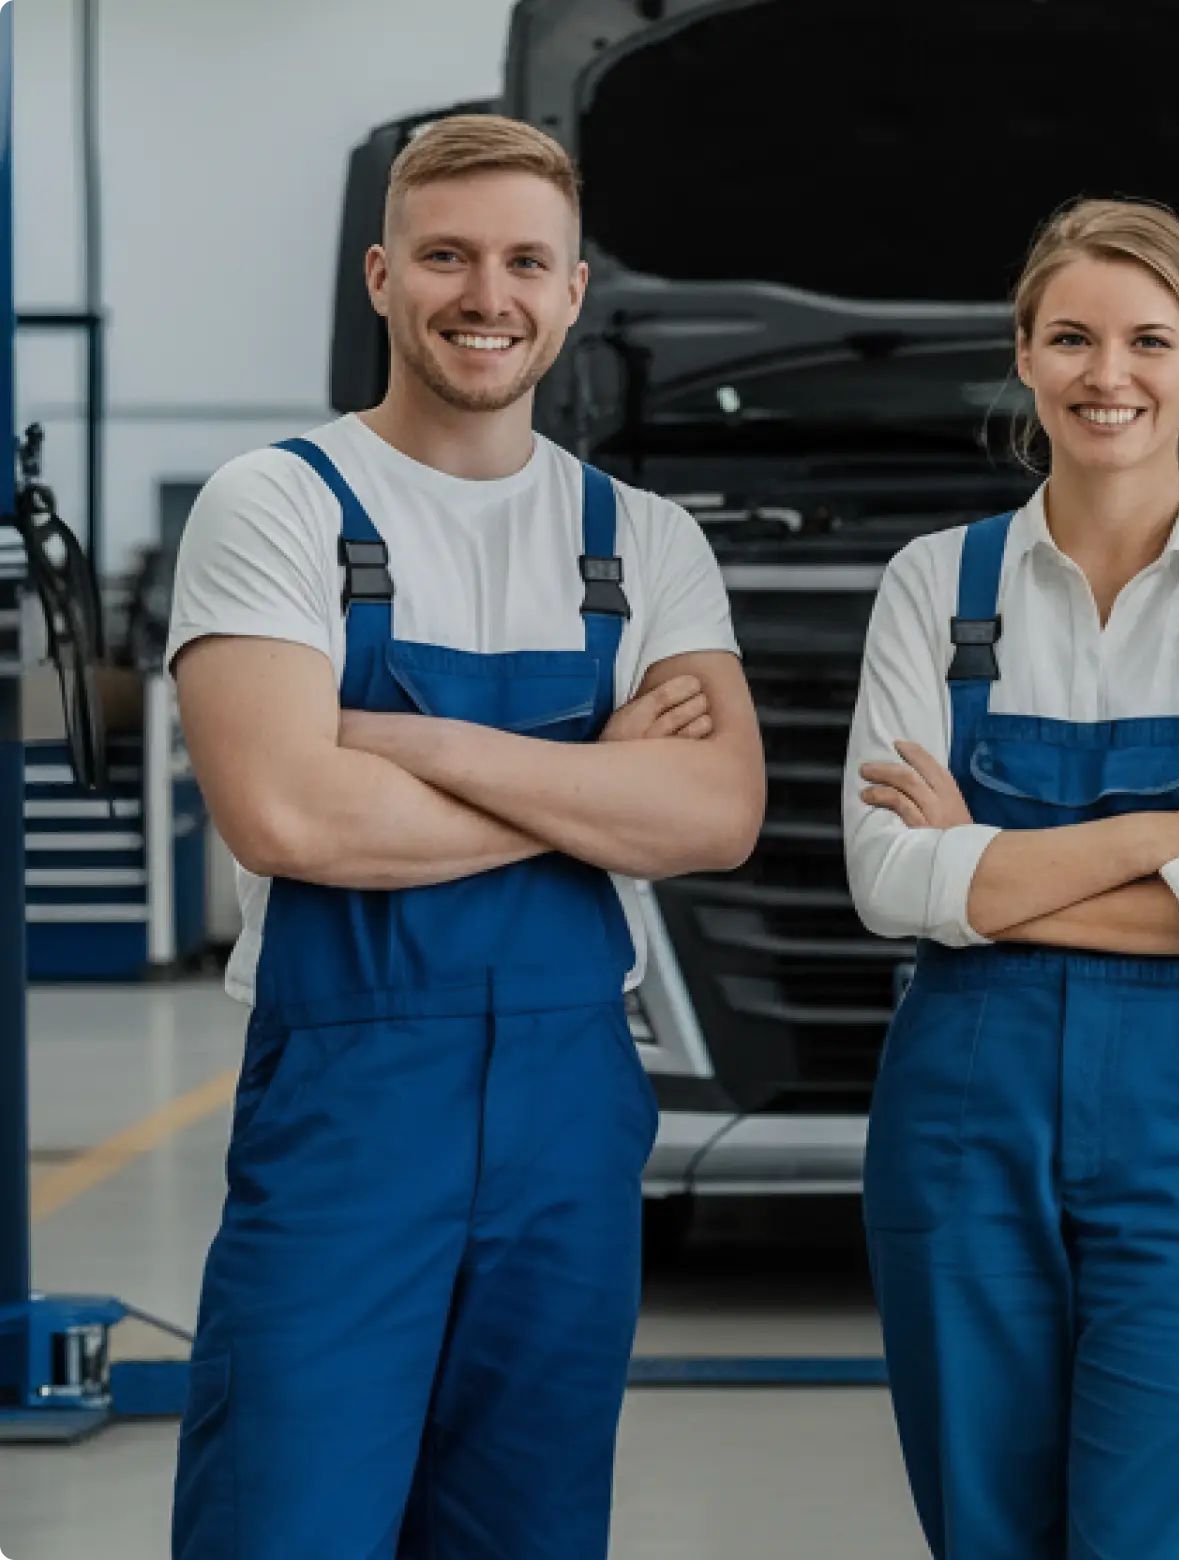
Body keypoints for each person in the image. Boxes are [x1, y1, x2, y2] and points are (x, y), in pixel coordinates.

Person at [165, 116, 764, 1558]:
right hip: (349, 1113)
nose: (486, 295)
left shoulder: (644, 539)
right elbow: (288, 811)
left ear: (572, 293)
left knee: (529, 1530)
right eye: (445, 256)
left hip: (574, 1113)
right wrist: (592, 785)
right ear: (381, 276)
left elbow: (714, 812)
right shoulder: (279, 506)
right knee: (285, 1521)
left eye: (524, 262)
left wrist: (408, 743)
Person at [842, 198, 1179, 1558]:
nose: (1106, 374)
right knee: (986, 1529)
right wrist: (1170, 832)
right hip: (963, 1125)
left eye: (1147, 340)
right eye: (1070, 337)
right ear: (1024, 353)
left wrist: (985, 873)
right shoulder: (933, 586)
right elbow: (890, 881)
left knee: (1164, 1530)